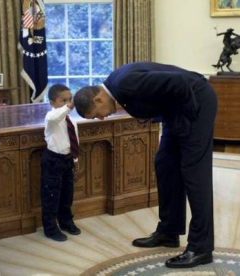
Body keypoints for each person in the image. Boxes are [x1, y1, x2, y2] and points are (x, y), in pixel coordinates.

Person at [74, 62, 217, 268]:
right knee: (165, 165)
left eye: (97, 114)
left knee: (195, 174)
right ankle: (169, 232)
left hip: (196, 103)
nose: (102, 117)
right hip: (177, 110)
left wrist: (189, 121)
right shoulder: (117, 86)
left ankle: (201, 248)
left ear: (98, 99)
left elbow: (181, 82)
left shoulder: (124, 83)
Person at [41, 84, 81, 242]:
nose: (67, 103)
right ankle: (50, 228)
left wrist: (75, 158)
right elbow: (55, 117)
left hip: (67, 159)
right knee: (51, 195)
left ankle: (66, 221)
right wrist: (70, 106)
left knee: (67, 194)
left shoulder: (71, 120)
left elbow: (74, 139)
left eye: (69, 99)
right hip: (53, 160)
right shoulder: (51, 118)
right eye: (63, 100)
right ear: (52, 103)